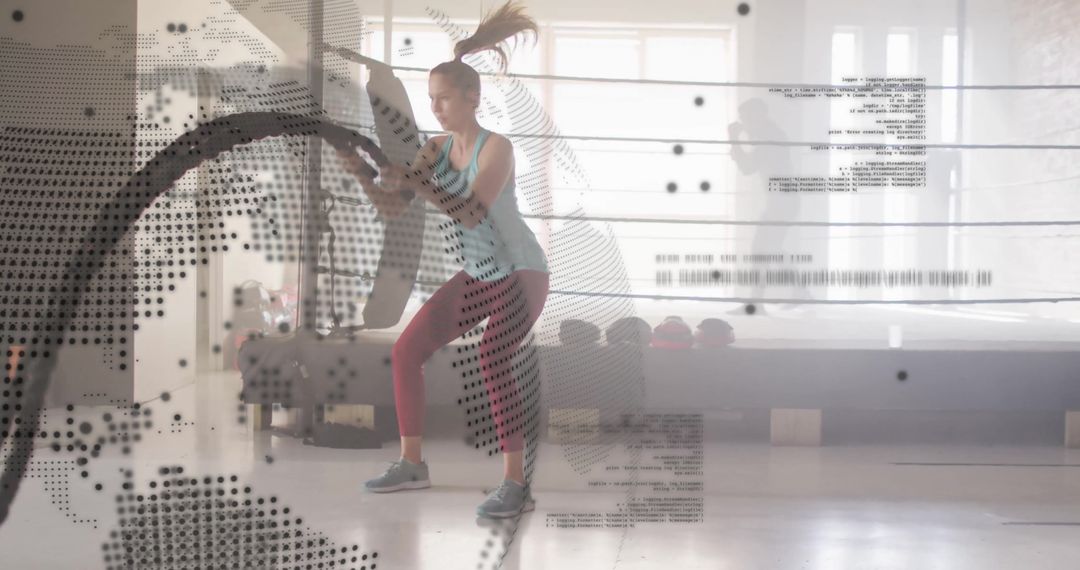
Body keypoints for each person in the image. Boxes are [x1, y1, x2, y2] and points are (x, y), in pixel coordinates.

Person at [336, 1, 549, 519]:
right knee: (408, 350)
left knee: (492, 358)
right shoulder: (434, 148)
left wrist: (418, 179)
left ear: (473, 98)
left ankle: (515, 484)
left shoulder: (496, 148)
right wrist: (362, 172)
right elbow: (395, 206)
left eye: (445, 99)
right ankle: (411, 464)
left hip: (522, 274)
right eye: (431, 100)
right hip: (477, 274)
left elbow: (473, 211)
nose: (436, 109)